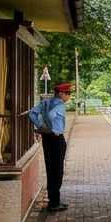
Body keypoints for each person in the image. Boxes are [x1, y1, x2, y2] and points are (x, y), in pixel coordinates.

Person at [29, 82, 71, 211]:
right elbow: (53, 115)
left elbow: (32, 113)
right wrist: (55, 129)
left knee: (51, 169)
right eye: (67, 93)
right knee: (57, 170)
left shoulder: (46, 103)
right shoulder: (59, 105)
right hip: (56, 138)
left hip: (47, 138)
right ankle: (54, 203)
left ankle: (54, 200)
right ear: (60, 94)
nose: (68, 96)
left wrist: (41, 127)